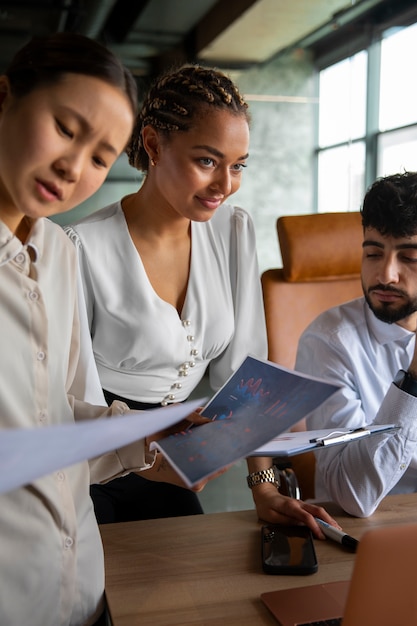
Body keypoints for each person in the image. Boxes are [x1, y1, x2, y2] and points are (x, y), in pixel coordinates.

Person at [0, 32, 218, 626]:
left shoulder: (59, 255)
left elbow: (62, 415)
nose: (74, 167)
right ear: (4, 99)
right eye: (66, 128)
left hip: (79, 589)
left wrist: (153, 437)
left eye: (100, 157)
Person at [65, 63, 338, 536]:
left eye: (238, 166)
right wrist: (150, 459)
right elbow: (71, 398)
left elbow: (242, 375)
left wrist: (266, 487)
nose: (225, 185)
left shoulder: (234, 231)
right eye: (208, 161)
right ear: (153, 145)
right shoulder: (81, 247)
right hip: (92, 463)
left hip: (177, 456)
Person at [293, 171, 417, 518]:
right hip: (376, 530)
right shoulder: (329, 342)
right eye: (374, 253)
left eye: (410, 257)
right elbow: (353, 493)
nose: (385, 274)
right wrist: (413, 380)